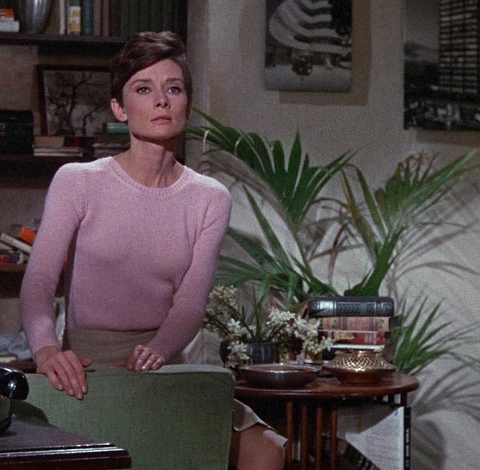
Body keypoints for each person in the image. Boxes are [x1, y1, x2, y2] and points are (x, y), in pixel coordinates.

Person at [20, 31, 285, 470]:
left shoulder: (209, 197)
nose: (161, 100)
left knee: (266, 449)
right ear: (120, 109)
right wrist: (47, 351)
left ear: (187, 104)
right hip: (85, 368)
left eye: (173, 89)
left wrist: (158, 352)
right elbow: (40, 282)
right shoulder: (77, 181)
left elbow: (191, 303)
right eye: (144, 89)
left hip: (163, 365)